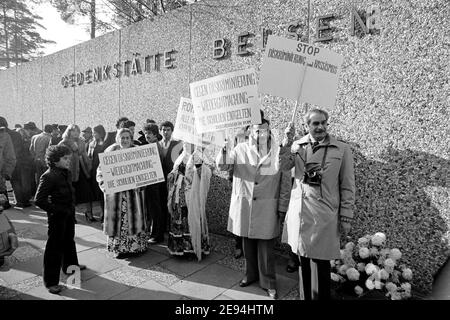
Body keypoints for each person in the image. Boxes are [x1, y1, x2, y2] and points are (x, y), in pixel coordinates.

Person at [280, 108, 356, 300]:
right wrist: (286, 142)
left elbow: (347, 185)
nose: (320, 126)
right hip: (300, 214)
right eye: (315, 123)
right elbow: (281, 167)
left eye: (324, 122)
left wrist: (346, 216)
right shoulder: (297, 145)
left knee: (321, 267)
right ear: (307, 126)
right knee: (303, 263)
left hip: (324, 216)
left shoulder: (341, 149)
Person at [216, 118, 287, 300]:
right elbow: (223, 165)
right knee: (247, 245)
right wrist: (224, 147)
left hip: (267, 205)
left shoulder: (278, 150)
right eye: (256, 131)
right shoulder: (240, 149)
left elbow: (286, 180)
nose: (260, 134)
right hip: (246, 204)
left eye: (263, 130)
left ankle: (268, 282)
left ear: (270, 131)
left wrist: (282, 206)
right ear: (250, 132)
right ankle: (250, 275)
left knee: (266, 248)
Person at [35, 144, 86, 294]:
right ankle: (51, 282)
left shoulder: (65, 172)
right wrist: (57, 211)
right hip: (57, 217)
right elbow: (39, 200)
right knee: (54, 248)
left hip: (68, 215)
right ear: (54, 160)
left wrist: (69, 210)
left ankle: (70, 267)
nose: (68, 161)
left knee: (69, 240)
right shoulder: (48, 176)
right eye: (65, 158)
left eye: (69, 158)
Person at [96, 128, 148, 258]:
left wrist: (141, 184)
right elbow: (100, 172)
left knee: (133, 220)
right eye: (122, 137)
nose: (124, 140)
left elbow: (146, 172)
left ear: (131, 139)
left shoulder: (137, 152)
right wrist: (105, 186)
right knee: (119, 222)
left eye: (127, 138)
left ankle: (135, 247)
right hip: (116, 196)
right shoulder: (110, 152)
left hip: (133, 195)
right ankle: (119, 249)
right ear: (117, 139)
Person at [167, 142, 212, 260]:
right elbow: (176, 170)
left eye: (192, 142)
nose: (189, 144)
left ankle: (193, 249)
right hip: (180, 196)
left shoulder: (201, 156)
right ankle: (179, 248)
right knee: (180, 220)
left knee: (192, 219)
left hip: (193, 194)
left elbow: (207, 173)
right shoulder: (182, 156)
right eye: (187, 142)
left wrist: (199, 166)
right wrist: (172, 175)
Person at [58, 125, 95, 222]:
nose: (76, 133)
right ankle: (71, 215)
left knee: (87, 193)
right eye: (73, 131)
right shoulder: (63, 143)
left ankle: (89, 213)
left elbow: (85, 155)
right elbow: (60, 159)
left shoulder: (81, 142)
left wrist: (89, 166)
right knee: (71, 195)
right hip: (70, 171)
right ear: (69, 132)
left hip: (82, 169)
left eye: (77, 131)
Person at [156, 121, 182, 242]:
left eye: (168, 130)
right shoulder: (155, 145)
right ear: (160, 131)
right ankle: (160, 231)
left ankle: (172, 231)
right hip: (158, 181)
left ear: (172, 131)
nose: (165, 132)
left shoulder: (177, 145)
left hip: (172, 181)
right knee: (160, 206)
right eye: (163, 129)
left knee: (172, 205)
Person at [141, 123, 165, 244]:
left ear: (155, 134)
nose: (146, 135)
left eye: (149, 133)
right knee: (153, 209)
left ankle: (157, 235)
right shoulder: (152, 145)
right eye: (145, 133)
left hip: (154, 183)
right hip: (152, 182)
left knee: (155, 209)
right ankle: (154, 233)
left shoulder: (154, 147)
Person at [0, 117, 31, 208]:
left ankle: (5, 203)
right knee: (16, 182)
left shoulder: (6, 135)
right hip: (16, 161)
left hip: (6, 161)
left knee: (5, 184)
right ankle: (20, 201)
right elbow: (18, 148)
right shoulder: (15, 134)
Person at [87, 125, 106, 222]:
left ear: (100, 133)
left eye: (95, 132)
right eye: (93, 132)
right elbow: (89, 157)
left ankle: (104, 214)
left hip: (103, 171)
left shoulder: (105, 143)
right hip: (93, 170)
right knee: (95, 193)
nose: (93, 134)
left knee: (102, 193)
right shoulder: (91, 143)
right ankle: (91, 213)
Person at [29, 124, 53, 189]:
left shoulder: (34, 137)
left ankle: (38, 192)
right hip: (45, 160)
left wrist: (35, 157)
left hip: (37, 159)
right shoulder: (49, 138)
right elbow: (48, 150)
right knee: (46, 178)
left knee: (38, 178)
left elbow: (31, 149)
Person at [0, 125, 16, 210]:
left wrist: (6, 173)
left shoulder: (4, 136)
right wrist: (7, 173)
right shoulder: (4, 136)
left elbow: (10, 158)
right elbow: (11, 158)